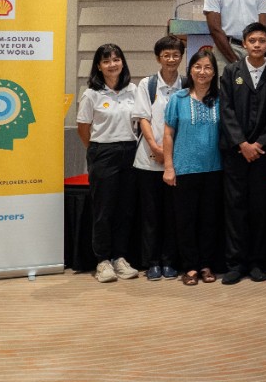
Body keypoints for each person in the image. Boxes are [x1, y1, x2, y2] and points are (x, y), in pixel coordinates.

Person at [218, 22, 266, 285]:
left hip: (264, 153)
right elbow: (226, 111)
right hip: (236, 153)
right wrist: (242, 144)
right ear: (244, 44)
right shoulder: (230, 72)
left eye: (261, 41)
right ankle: (236, 263)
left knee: (260, 208)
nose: (257, 45)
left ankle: (257, 262)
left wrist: (260, 144)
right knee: (235, 207)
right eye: (252, 41)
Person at [77, 43, 140, 283]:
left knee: (125, 208)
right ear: (99, 66)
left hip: (130, 152)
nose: (112, 64)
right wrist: (96, 150)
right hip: (103, 153)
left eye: (116, 59)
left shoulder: (133, 90)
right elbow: (84, 128)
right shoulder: (92, 93)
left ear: (122, 62)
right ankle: (102, 260)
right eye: (106, 61)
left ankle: (120, 258)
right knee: (103, 210)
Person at [162, 50, 223, 286]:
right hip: (185, 168)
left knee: (209, 220)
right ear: (190, 70)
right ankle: (189, 266)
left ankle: (206, 264)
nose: (202, 72)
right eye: (197, 66)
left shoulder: (221, 98)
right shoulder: (178, 99)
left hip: (214, 169)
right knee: (185, 220)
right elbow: (168, 134)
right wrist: (169, 167)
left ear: (214, 72)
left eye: (208, 67)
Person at [131, 35, 185, 281]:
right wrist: (155, 146)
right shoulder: (147, 84)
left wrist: (170, 154)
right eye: (166, 55)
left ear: (181, 57)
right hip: (149, 159)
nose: (171, 59)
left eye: (175, 55)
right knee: (151, 214)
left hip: (176, 160)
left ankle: (170, 261)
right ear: (158, 58)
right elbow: (143, 117)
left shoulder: (186, 84)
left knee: (173, 213)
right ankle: (152, 261)